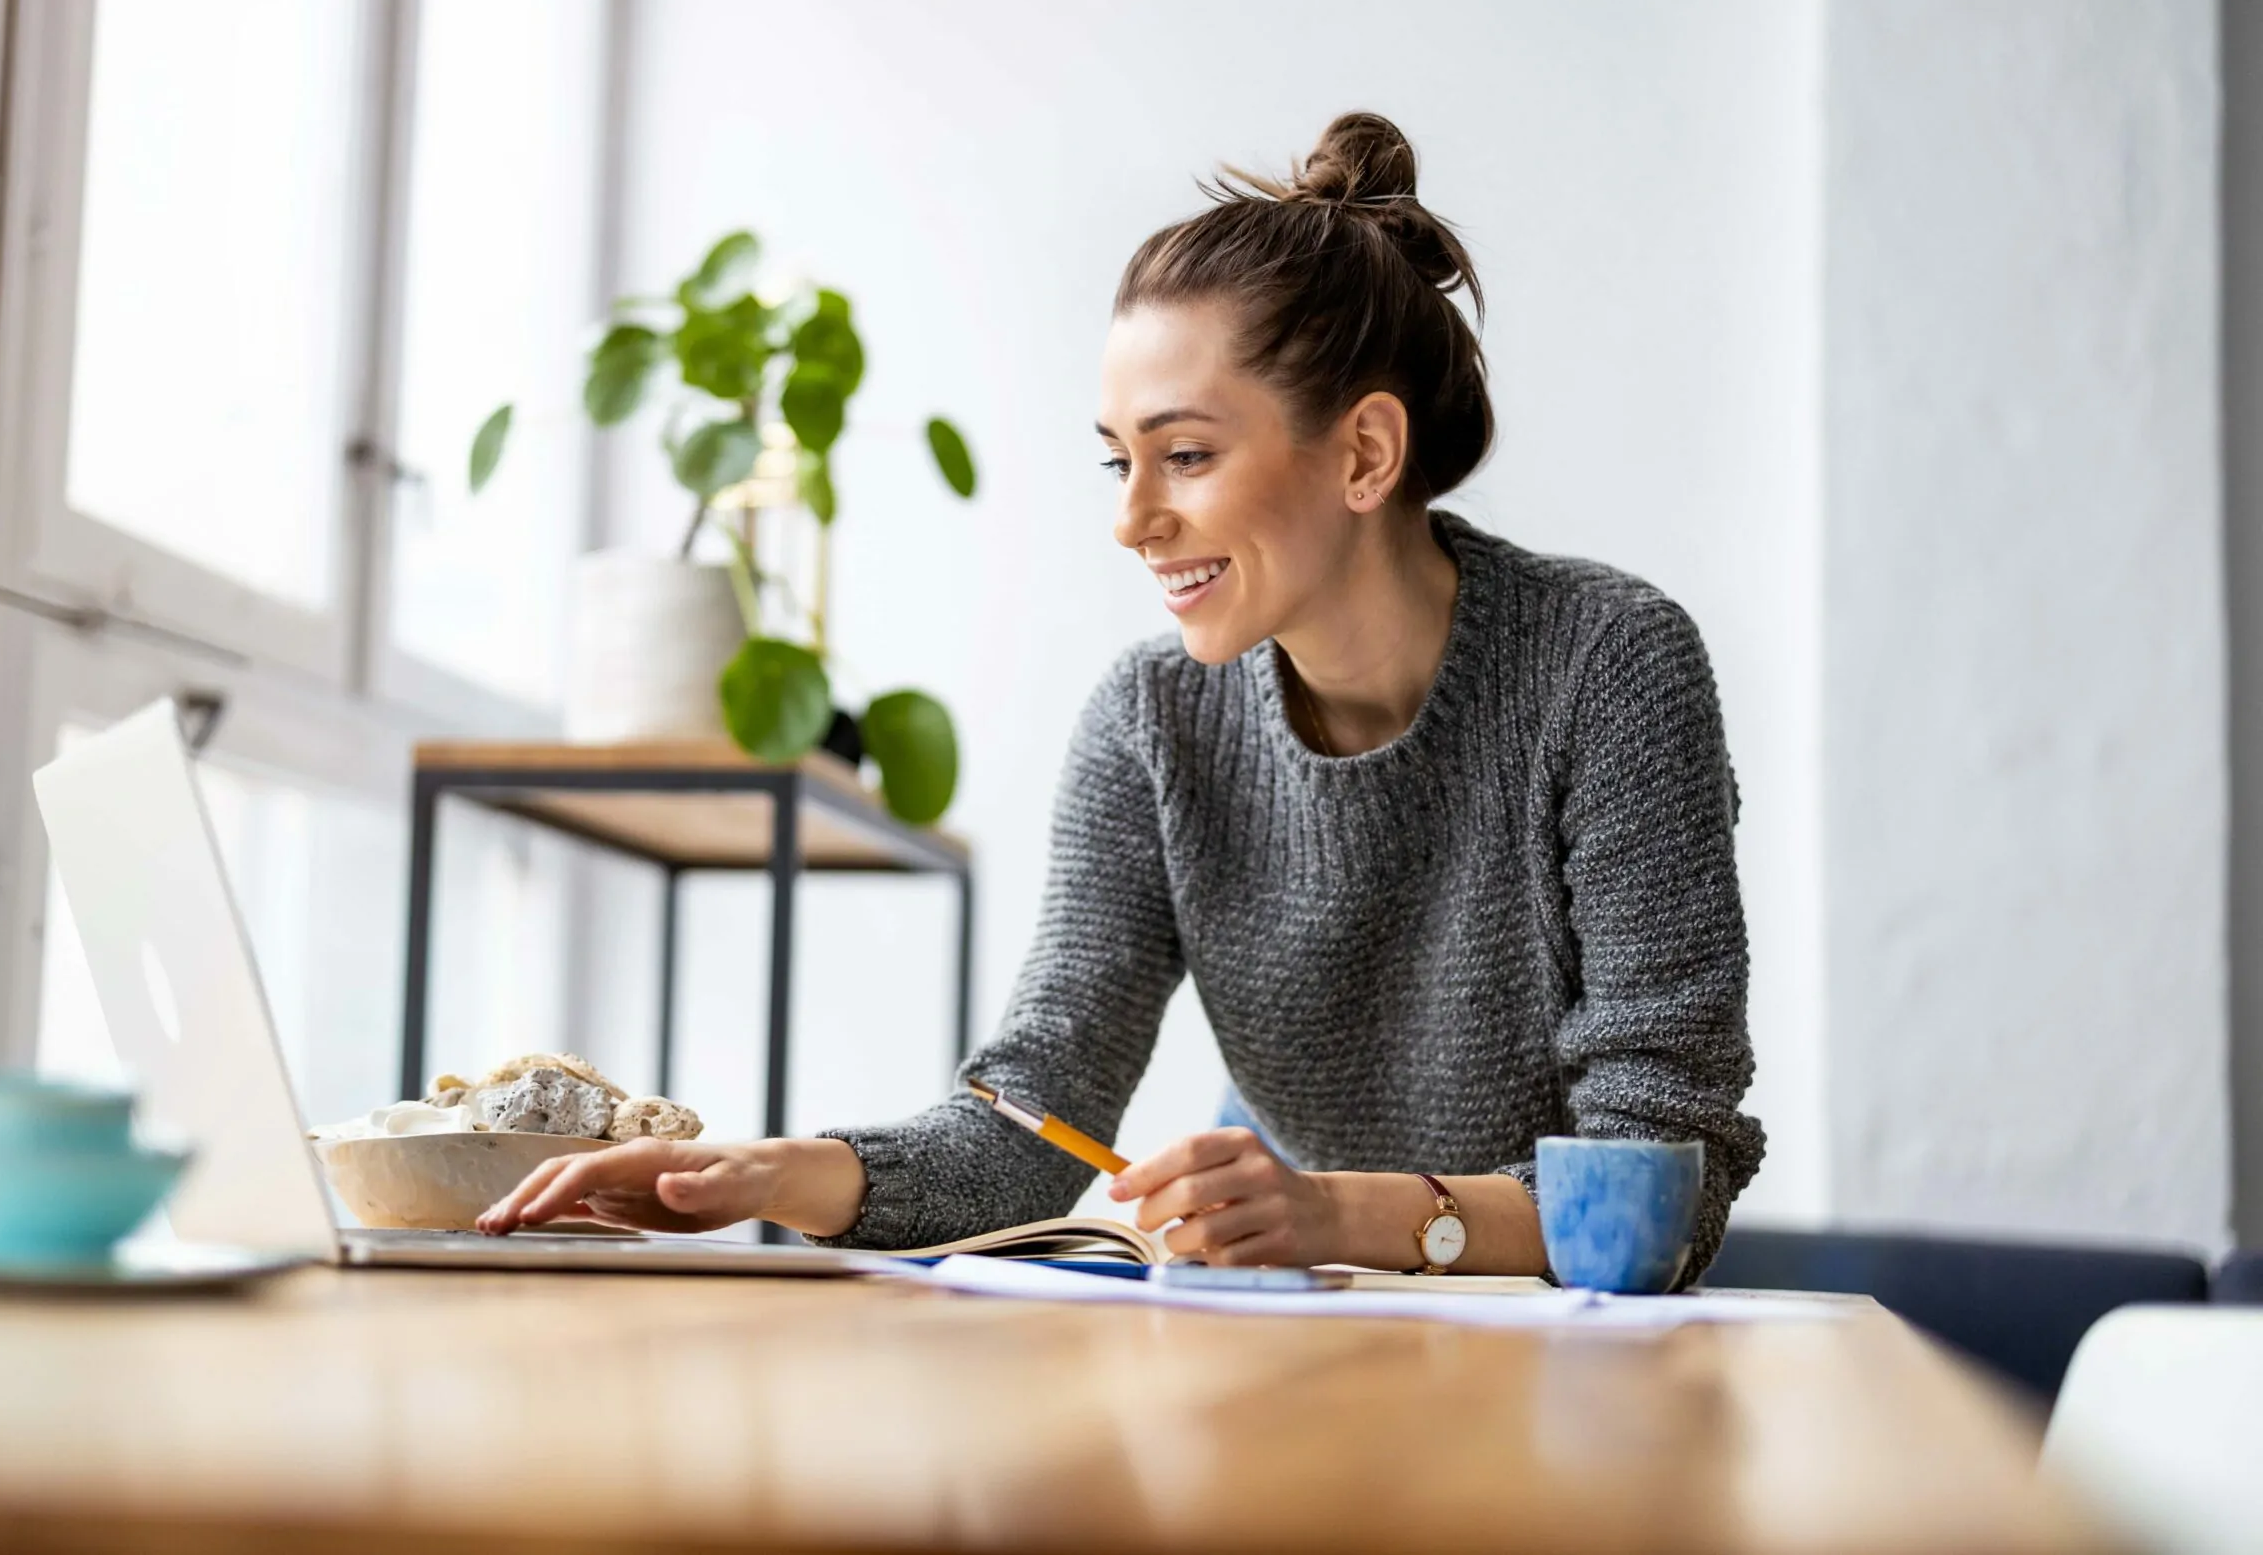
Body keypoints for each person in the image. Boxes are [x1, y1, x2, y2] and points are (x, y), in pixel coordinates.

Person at [480, 111, 1766, 1279]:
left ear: (1365, 452)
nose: (1134, 522)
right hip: (1301, 1332)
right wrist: (774, 1176)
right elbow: (1035, 1120)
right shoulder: (1152, 722)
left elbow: (1661, 1185)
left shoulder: (1609, 665)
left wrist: (1327, 1213)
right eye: (1117, 464)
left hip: (1577, 1370)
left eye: (1186, 456)